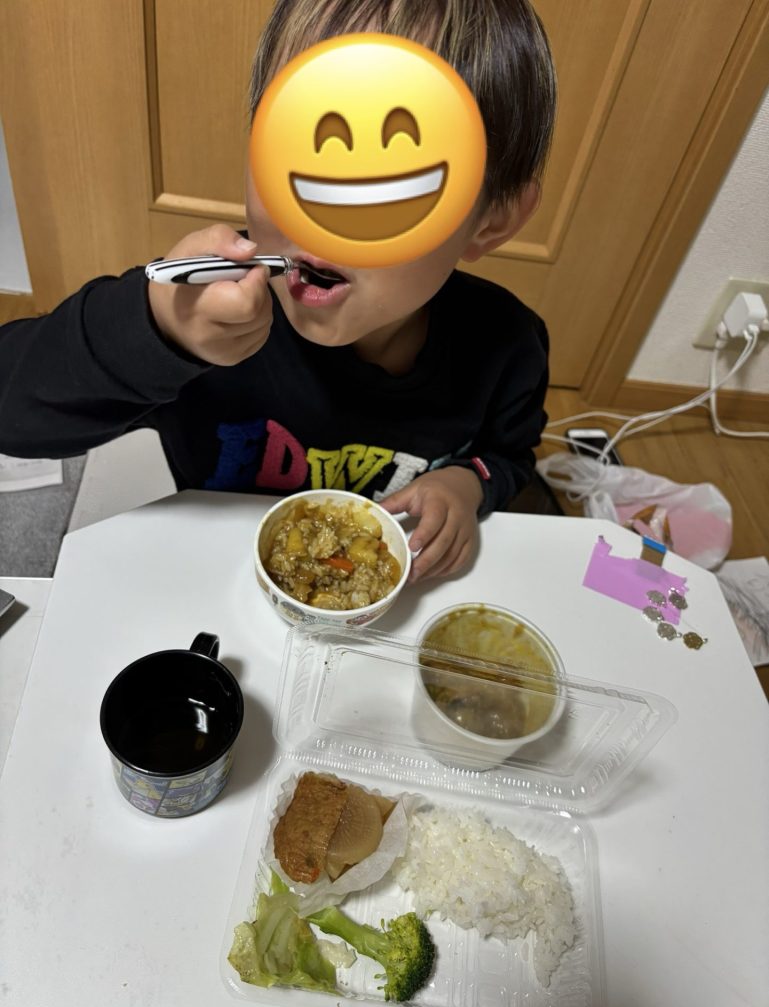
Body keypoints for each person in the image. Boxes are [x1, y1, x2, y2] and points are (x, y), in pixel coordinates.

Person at [0, 0, 556, 582]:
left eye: (390, 183)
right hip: (213, 580)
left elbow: (508, 455)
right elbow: (13, 412)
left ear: (491, 220)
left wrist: (469, 482)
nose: (316, 219)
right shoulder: (203, 312)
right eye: (297, 146)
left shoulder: (507, 346)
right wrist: (154, 332)